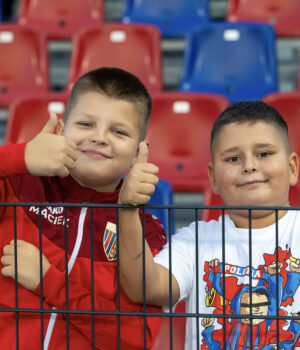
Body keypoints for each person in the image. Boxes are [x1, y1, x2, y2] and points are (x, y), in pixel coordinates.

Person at [0, 67, 166, 349]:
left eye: (118, 131)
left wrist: (49, 281)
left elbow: (135, 340)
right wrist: (20, 156)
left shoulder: (144, 232)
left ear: (139, 152)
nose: (100, 138)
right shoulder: (15, 187)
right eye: (86, 125)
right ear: (61, 130)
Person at [118, 101, 300, 349]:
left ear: (292, 168)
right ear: (213, 178)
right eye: (233, 158)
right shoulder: (194, 240)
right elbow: (145, 289)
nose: (249, 165)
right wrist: (128, 210)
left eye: (264, 154)